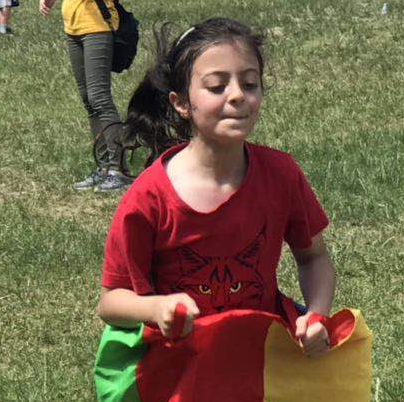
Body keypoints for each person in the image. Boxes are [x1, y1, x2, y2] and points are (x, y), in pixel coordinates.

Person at [101, 18, 335, 354]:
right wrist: (156, 308)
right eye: (216, 86)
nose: (238, 95)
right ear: (181, 103)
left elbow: (314, 258)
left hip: (260, 359)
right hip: (179, 367)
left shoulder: (281, 174)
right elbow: (111, 301)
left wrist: (316, 314)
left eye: (250, 83)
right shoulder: (149, 197)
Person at [40, 0, 126, 192]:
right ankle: (102, 166)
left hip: (98, 26)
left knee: (101, 97)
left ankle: (117, 168)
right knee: (88, 99)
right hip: (73, 24)